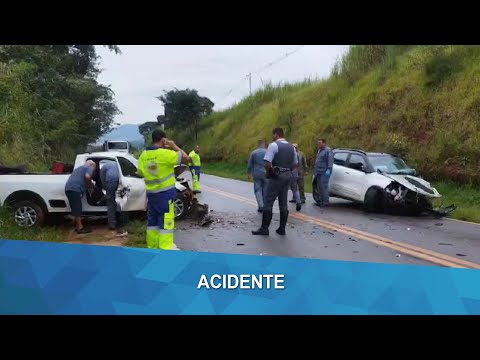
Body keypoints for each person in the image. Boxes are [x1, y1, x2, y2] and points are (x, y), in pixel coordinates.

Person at [137, 129, 190, 250]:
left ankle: (152, 249)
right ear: (163, 140)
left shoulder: (143, 155)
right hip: (165, 196)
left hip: (151, 196)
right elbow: (186, 158)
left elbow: (140, 172)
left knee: (152, 225)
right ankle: (165, 252)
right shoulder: (166, 154)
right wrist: (173, 145)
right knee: (166, 225)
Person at [252, 128, 298, 236]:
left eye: (273, 135)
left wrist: (270, 172)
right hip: (288, 175)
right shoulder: (292, 147)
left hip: (277, 175)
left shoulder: (273, 145)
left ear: (276, 135)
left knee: (268, 201)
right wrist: (288, 170)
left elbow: (267, 162)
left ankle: (264, 228)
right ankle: (282, 228)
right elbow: (295, 163)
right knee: (283, 202)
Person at [65, 160, 96, 234]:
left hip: (68, 188)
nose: (94, 170)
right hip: (75, 189)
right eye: (94, 167)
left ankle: (76, 225)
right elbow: (87, 176)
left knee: (75, 208)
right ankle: (80, 228)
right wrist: (91, 186)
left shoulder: (78, 169)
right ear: (91, 165)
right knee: (78, 208)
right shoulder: (88, 167)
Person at [99, 160, 128, 237]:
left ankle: (112, 224)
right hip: (118, 180)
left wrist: (105, 188)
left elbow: (102, 180)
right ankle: (118, 219)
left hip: (111, 181)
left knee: (110, 202)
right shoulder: (118, 164)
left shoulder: (103, 168)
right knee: (114, 200)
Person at [247, 140, 268, 212]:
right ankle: (265, 205)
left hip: (256, 173)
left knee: (258, 189)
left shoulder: (254, 153)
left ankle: (261, 205)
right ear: (264, 144)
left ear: (258, 144)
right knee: (265, 189)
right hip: (266, 173)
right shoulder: (268, 152)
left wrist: (248, 173)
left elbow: (250, 164)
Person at [314, 138, 334, 207]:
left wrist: (329, 169)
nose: (318, 144)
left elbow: (330, 161)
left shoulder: (328, 151)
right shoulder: (320, 150)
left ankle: (325, 201)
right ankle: (320, 200)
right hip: (318, 172)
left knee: (324, 187)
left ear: (324, 143)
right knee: (319, 187)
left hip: (324, 172)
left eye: (320, 142)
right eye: (318, 143)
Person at [288, 143, 302, 211]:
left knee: (284, 189)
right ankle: (298, 201)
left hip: (288, 173)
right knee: (295, 189)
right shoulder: (296, 154)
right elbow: (297, 164)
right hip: (294, 172)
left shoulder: (287, 154)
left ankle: (283, 204)